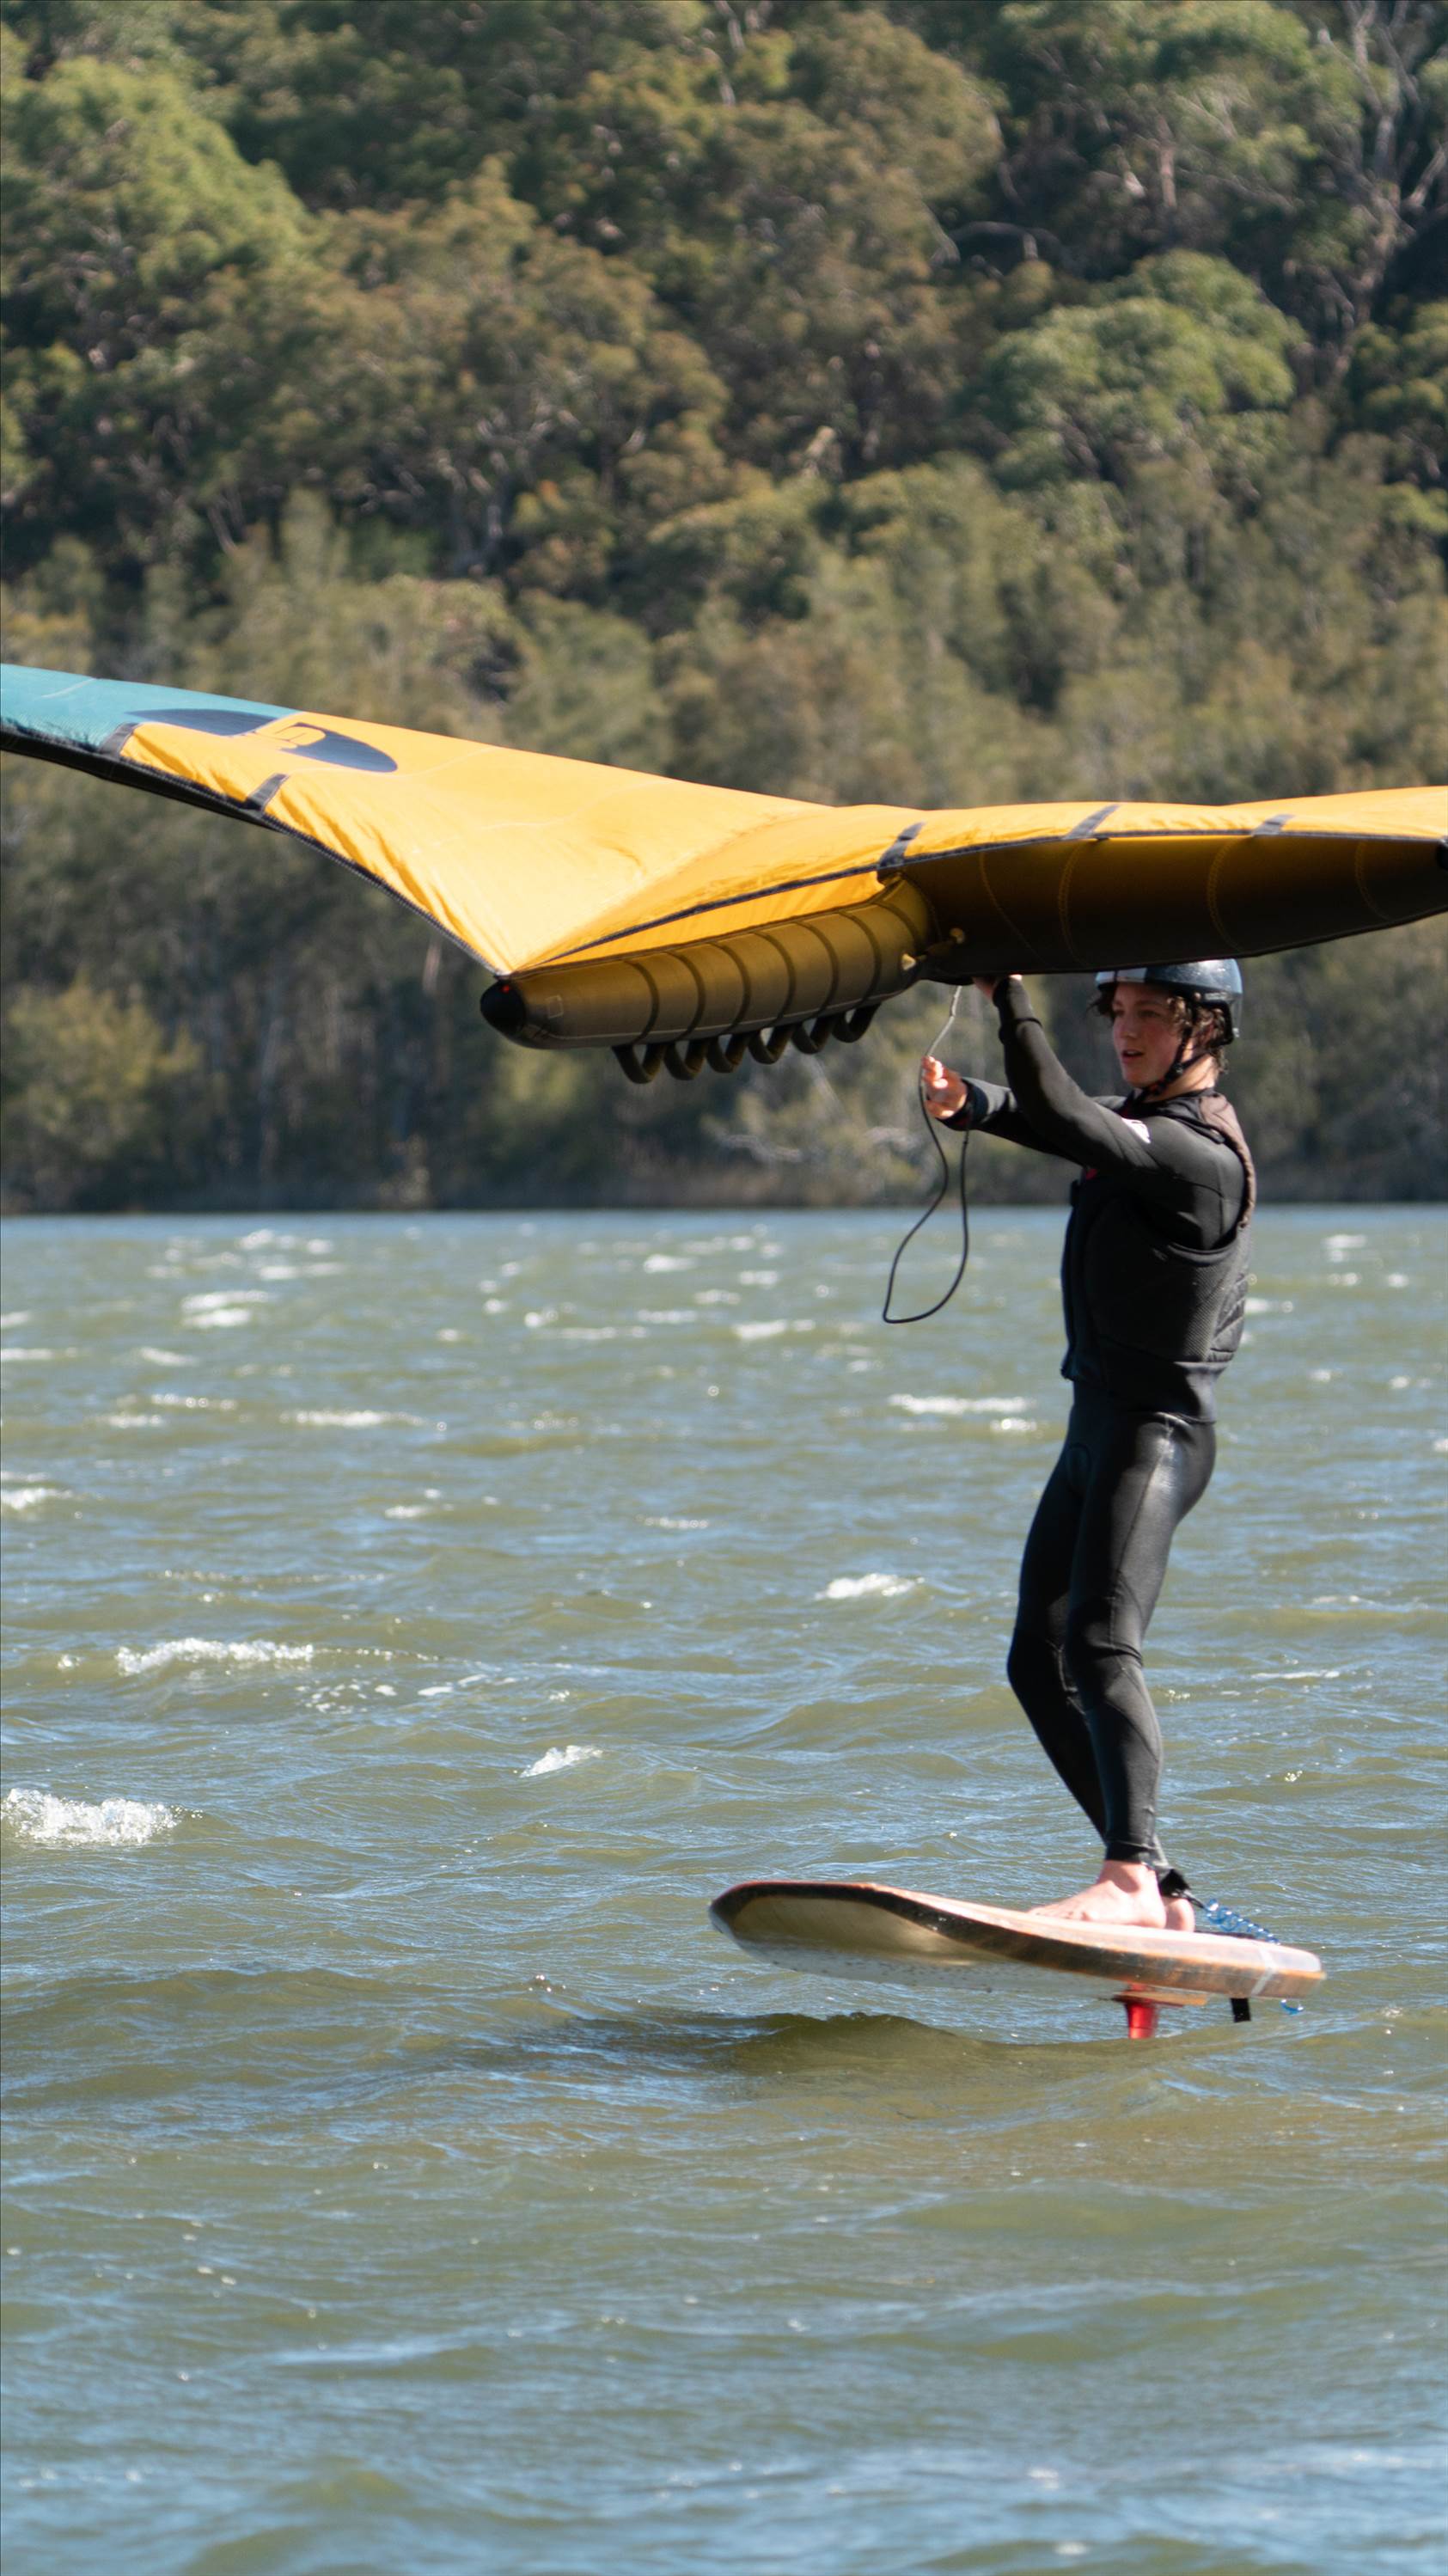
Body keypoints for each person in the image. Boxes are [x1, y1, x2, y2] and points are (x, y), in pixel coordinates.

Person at [921, 963, 1253, 1932]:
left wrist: (1008, 998)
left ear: (1204, 1029)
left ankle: (1128, 1878)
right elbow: (1064, 1120)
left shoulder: (1201, 1156)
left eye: (1151, 1014)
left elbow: (1072, 1117)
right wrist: (971, 1102)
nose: (1126, 1030)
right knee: (1037, 1661)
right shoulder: (1146, 1130)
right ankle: (1160, 1886)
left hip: (1154, 1436)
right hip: (1093, 1432)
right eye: (1118, 1012)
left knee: (1102, 1645)